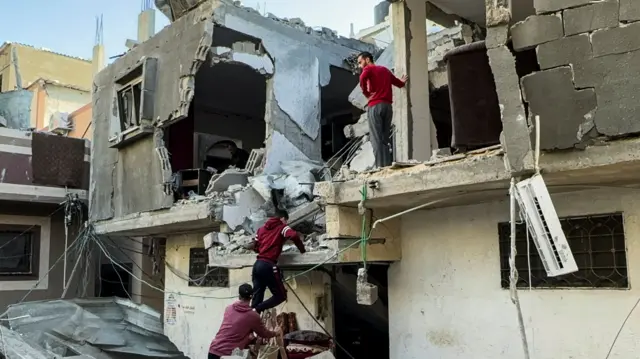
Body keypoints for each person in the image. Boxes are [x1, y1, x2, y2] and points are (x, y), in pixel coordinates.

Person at [357, 51, 408, 168]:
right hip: (387, 107)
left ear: (367, 60)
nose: (360, 66)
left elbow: (362, 79)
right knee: (385, 139)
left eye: (360, 62)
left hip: (375, 106)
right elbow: (398, 83)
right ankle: (387, 166)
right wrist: (403, 81)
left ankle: (380, 167)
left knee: (376, 139)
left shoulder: (368, 69)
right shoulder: (385, 70)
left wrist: (366, 93)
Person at [251, 209, 306, 313]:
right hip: (268, 265)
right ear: (282, 219)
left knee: (257, 298)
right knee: (281, 296)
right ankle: (257, 309)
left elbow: (256, 246)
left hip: (257, 265)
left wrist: (263, 248)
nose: (287, 223)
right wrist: (302, 250)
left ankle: (252, 315)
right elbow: (293, 235)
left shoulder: (261, 229)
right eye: (286, 221)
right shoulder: (282, 227)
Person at [208, 283, 279, 359]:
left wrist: (247, 339)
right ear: (252, 297)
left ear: (239, 296)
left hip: (213, 351)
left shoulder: (228, 309)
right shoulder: (253, 316)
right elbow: (264, 333)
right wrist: (276, 333)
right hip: (227, 355)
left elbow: (234, 332)